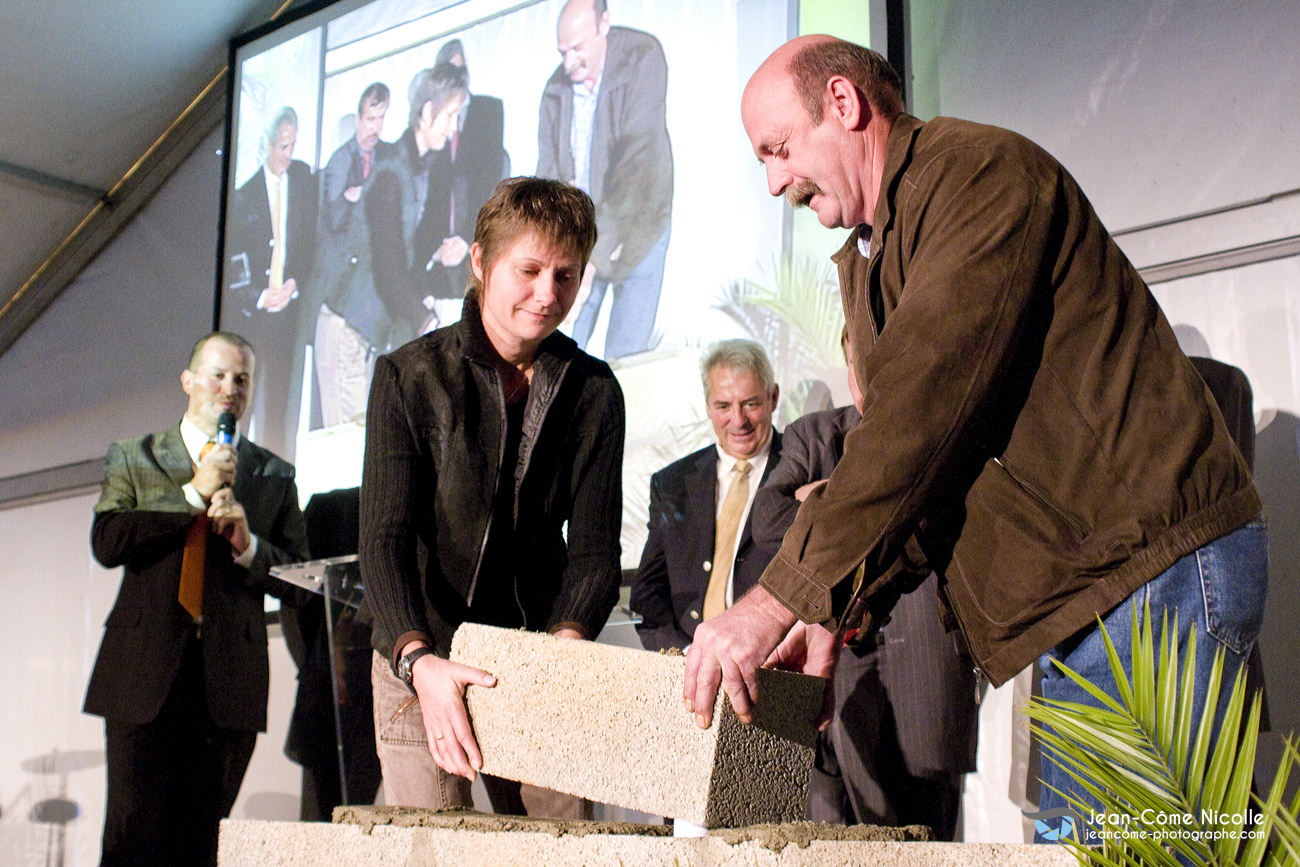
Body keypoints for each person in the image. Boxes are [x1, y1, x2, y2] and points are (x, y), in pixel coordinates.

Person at [683, 35, 1267, 841]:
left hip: (1150, 579)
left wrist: (774, 602)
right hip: (1090, 595)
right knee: (1088, 848)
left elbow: (919, 418)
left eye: (778, 150)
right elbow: (934, 470)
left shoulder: (977, 176)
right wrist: (831, 614)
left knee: (1150, 851)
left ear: (845, 105)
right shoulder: (872, 254)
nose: (776, 180)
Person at [361, 177, 625, 819]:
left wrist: (565, 643)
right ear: (480, 261)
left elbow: (593, 551)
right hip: (419, 653)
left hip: (535, 659)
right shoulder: (408, 377)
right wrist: (418, 659)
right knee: (432, 852)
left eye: (566, 275)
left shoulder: (595, 391)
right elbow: (384, 540)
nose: (547, 295)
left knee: (560, 852)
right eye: (529, 270)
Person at [83, 332, 309, 866]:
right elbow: (108, 542)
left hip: (229, 680)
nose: (229, 388)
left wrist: (249, 546)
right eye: (217, 375)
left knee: (202, 845)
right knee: (130, 840)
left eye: (242, 379)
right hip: (144, 676)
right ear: (187, 381)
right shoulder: (135, 456)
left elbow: (301, 580)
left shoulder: (274, 474)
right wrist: (190, 495)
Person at [750, 327, 976, 838]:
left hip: (926, 658)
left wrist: (820, 501)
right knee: (845, 828)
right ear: (846, 360)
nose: (868, 379)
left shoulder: (939, 426)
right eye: (860, 365)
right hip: (841, 664)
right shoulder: (814, 434)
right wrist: (853, 498)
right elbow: (767, 519)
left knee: (930, 834)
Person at [537, 0, 673, 359]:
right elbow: (547, 178)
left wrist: (594, 256)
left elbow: (636, 167)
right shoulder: (556, 89)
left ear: (605, 24)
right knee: (555, 351)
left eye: (578, 48)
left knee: (625, 361)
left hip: (641, 229)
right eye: (562, 52)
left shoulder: (644, 58)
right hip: (580, 237)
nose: (568, 63)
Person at [631, 339, 782, 652]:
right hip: (686, 670)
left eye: (750, 404)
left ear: (774, 397)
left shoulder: (804, 469)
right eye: (723, 406)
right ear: (708, 405)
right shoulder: (672, 483)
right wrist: (686, 656)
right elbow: (648, 595)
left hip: (776, 665)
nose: (738, 421)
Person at [228, 108, 318, 455]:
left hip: (289, 316)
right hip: (255, 319)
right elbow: (236, 268)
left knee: (282, 404)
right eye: (283, 146)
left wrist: (294, 283)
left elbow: (309, 242)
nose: (288, 154)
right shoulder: (243, 195)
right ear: (266, 144)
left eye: (293, 145)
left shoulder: (304, 180)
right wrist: (259, 297)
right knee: (246, 405)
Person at [367, 64, 467, 347]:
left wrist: (425, 298)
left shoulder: (424, 167)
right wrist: (428, 321)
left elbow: (411, 255)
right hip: (351, 327)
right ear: (425, 113)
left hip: (377, 325)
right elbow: (388, 269)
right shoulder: (390, 174)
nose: (453, 127)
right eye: (449, 116)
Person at [314, 82, 393, 428]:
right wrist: (353, 198)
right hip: (342, 299)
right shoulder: (339, 160)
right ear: (359, 118)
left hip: (372, 302)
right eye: (370, 118)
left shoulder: (389, 157)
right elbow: (334, 217)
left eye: (382, 118)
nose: (375, 127)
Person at [418, 39, 507, 326]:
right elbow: (434, 195)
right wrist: (437, 246)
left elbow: (489, 184)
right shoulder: (434, 125)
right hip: (441, 254)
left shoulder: (489, 110)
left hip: (474, 239)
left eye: (461, 68)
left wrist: (469, 238)